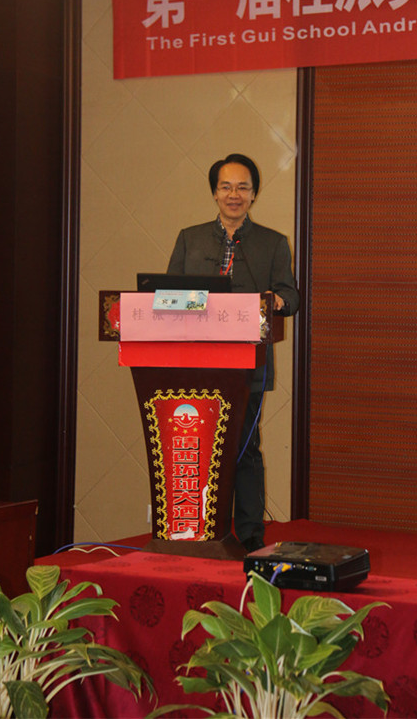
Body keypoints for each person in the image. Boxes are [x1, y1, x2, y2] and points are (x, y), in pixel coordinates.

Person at [167, 153, 299, 552]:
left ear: (254, 194)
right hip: (196, 363)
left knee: (243, 447)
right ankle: (199, 529)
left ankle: (250, 534)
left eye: (243, 187)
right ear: (214, 192)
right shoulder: (190, 239)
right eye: (226, 187)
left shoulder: (272, 243)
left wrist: (278, 300)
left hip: (248, 364)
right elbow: (167, 296)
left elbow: (291, 296)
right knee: (199, 448)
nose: (234, 194)